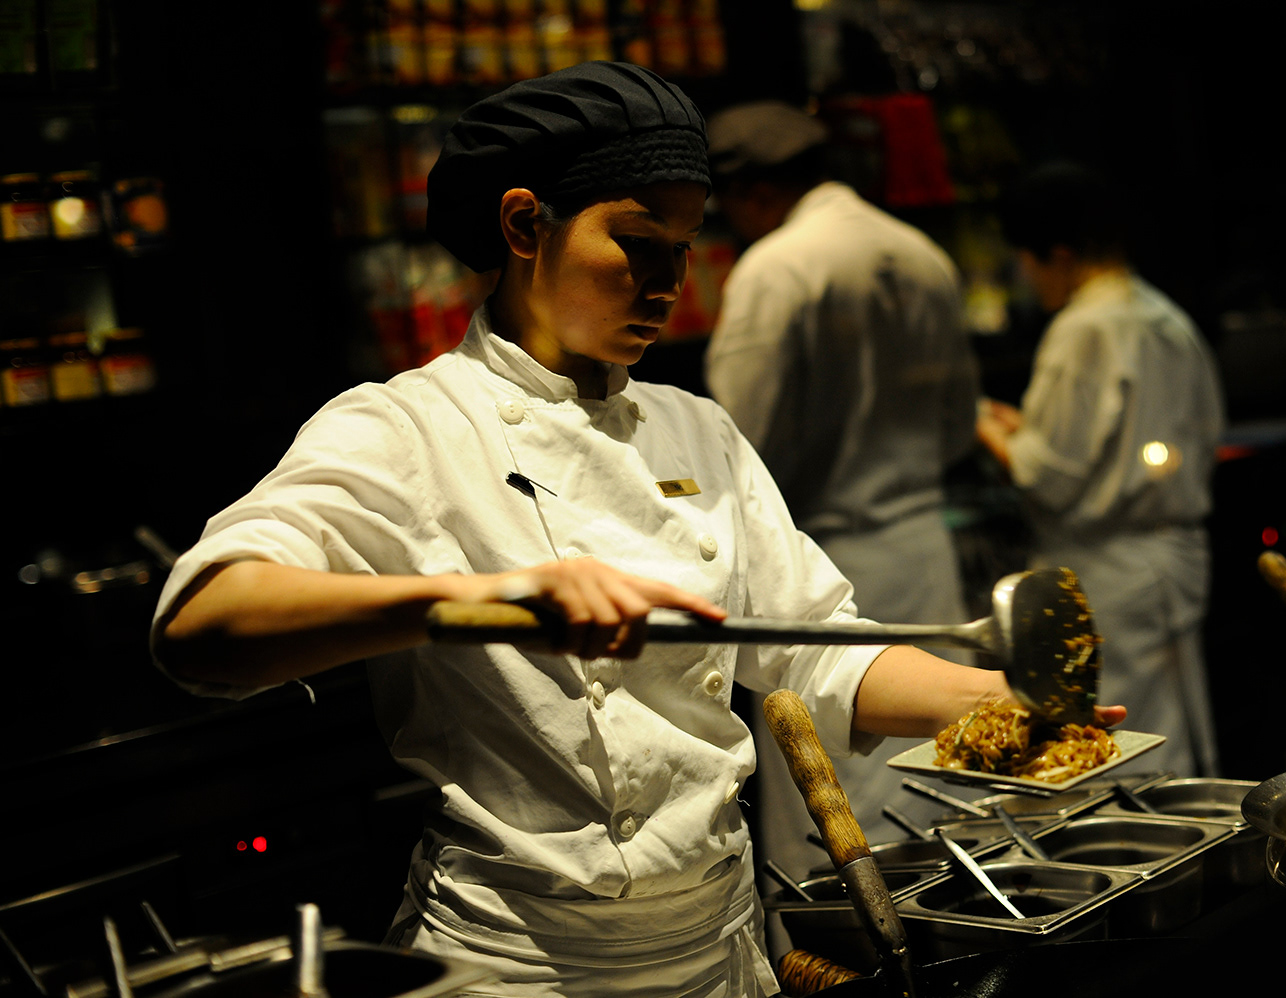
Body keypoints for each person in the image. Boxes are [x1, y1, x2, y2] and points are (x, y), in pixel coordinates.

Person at [150, 65, 1124, 998]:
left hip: (719, 941)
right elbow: (201, 625)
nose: (668, 281)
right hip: (520, 962)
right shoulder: (407, 425)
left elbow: (817, 657)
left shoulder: (697, 426)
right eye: (637, 242)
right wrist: (482, 599)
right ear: (525, 222)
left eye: (686, 247)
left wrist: (996, 696)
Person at [700, 101, 982, 886]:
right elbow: (958, 424)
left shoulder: (778, 266)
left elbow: (737, 451)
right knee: (943, 799)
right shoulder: (920, 250)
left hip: (821, 561)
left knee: (840, 831)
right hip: (926, 546)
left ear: (754, 193)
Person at [975, 161, 1223, 778]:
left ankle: (1156, 868)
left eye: (1027, 262)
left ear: (1058, 254)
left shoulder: (1085, 325)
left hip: (1112, 567)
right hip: (1173, 552)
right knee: (1177, 727)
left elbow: (1047, 473)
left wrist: (981, 423)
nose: (1027, 279)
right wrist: (1024, 429)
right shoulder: (1163, 314)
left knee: (1128, 740)